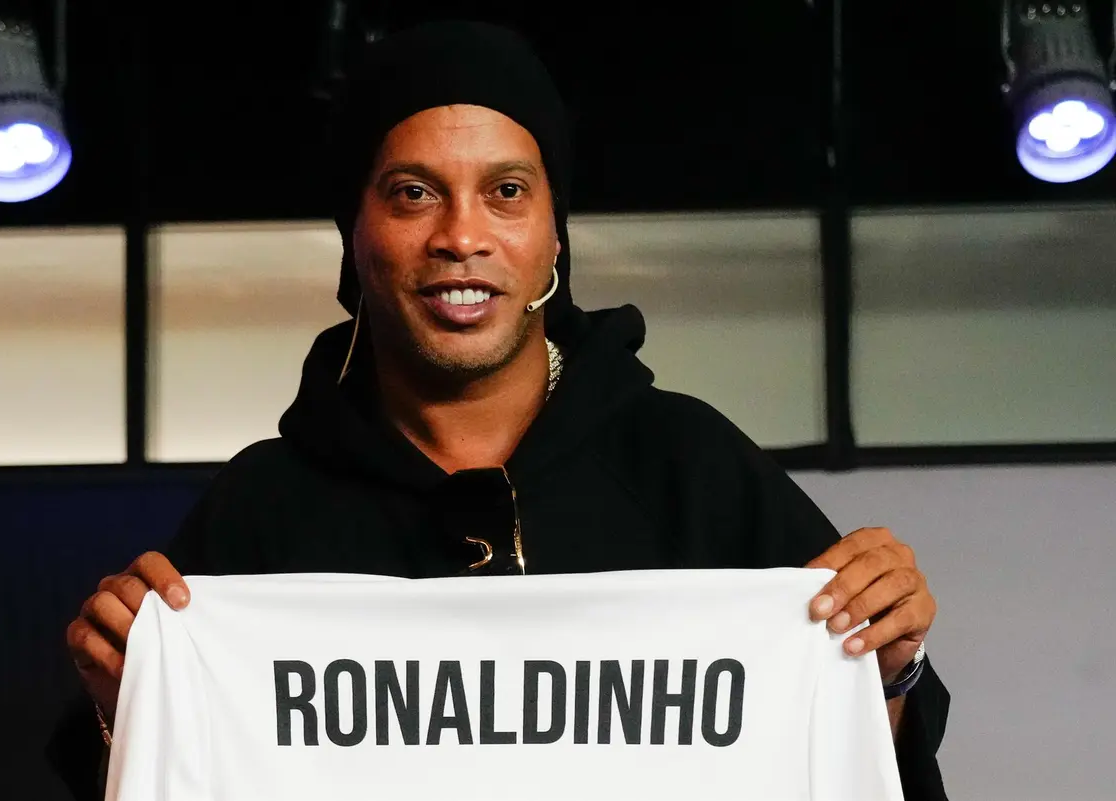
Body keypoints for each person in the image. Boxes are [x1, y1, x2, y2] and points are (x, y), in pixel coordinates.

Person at [49, 19, 949, 800]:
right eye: (413, 193)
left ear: (555, 234)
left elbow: (852, 762)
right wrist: (128, 699)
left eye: (507, 191)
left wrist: (885, 665)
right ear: (354, 234)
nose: (461, 236)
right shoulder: (261, 509)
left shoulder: (690, 466)